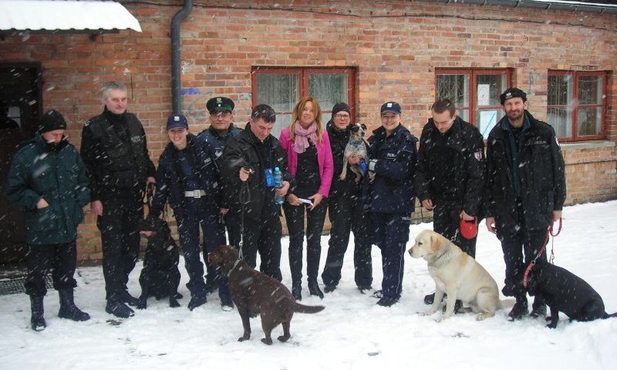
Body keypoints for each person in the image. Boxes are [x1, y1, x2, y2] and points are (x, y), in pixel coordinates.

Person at [485, 87, 566, 321]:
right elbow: (490, 175)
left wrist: (557, 205)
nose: (514, 108)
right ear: (504, 108)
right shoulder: (497, 135)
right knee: (511, 260)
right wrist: (490, 212)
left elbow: (557, 171)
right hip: (506, 209)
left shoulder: (544, 132)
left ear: (525, 104)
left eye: (517, 103)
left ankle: (540, 302)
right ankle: (520, 301)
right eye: (509, 105)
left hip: (537, 207)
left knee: (536, 260)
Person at [6, 110, 91, 331]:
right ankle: (37, 312)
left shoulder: (69, 153)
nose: (58, 138)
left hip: (66, 224)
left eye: (61, 134)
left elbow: (83, 181)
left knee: (66, 268)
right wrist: (35, 200)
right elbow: (14, 189)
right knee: (38, 273)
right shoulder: (26, 155)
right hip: (40, 226)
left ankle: (68, 306)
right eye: (53, 134)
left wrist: (77, 202)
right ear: (42, 133)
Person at [80, 81, 156, 319]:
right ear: (105, 101)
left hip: (133, 195)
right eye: (115, 99)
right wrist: (94, 197)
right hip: (109, 197)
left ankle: (121, 288)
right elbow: (88, 166)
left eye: (123, 99)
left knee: (132, 248)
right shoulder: (94, 127)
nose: (120, 103)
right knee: (113, 249)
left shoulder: (133, 122)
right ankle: (112, 298)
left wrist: (151, 172)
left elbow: (142, 153)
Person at [146, 114, 229, 310]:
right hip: (185, 207)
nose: (177, 135)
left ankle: (225, 291)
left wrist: (224, 202)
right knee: (190, 251)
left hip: (208, 203)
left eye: (180, 130)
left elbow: (220, 175)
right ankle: (198, 291)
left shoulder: (202, 147)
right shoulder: (167, 157)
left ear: (186, 130)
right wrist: (153, 214)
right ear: (168, 133)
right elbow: (163, 188)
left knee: (217, 248)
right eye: (173, 131)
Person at [414, 99, 485, 306]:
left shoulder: (470, 135)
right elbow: (421, 166)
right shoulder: (429, 132)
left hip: (463, 205)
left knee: (463, 253)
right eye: (436, 121)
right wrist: (424, 192)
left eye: (443, 122)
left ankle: (463, 295)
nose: (439, 126)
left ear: (454, 116)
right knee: (440, 251)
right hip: (441, 203)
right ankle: (443, 290)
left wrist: (470, 208)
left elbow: (477, 175)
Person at [219, 104, 292, 281]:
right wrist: (240, 173)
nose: (265, 132)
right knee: (245, 264)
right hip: (245, 214)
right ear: (251, 121)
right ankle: (246, 298)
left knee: (272, 261)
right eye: (261, 127)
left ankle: (271, 294)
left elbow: (286, 169)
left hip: (270, 213)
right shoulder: (237, 143)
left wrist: (287, 183)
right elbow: (228, 167)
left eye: (269, 128)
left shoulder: (274, 144)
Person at [279, 96, 334, 301]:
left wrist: (322, 193)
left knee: (314, 240)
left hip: (316, 195)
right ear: (298, 112)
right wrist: (290, 193)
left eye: (311, 110)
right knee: (296, 240)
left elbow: (328, 166)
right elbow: (282, 166)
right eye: (304, 109)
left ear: (316, 113)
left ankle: (312, 282)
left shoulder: (322, 135)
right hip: (294, 194)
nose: (308, 113)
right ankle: (296, 284)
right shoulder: (287, 135)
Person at [367, 101, 417, 307]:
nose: (389, 120)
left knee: (394, 249)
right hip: (378, 202)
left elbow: (402, 170)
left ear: (399, 116)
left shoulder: (406, 140)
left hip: (398, 203)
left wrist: (376, 165)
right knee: (382, 246)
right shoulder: (377, 137)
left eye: (392, 116)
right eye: (385, 116)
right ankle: (389, 285)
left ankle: (392, 292)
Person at [320, 102, 373, 294]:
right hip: (339, 194)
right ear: (333, 117)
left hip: (360, 194)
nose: (343, 118)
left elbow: (368, 157)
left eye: (346, 115)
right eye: (339, 115)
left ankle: (364, 280)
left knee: (363, 238)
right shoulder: (326, 137)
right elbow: (325, 164)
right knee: (338, 238)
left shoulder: (357, 136)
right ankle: (331, 279)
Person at [197, 96, 242, 293]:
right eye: (216, 114)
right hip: (211, 200)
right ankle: (213, 278)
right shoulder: (201, 140)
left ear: (231, 116)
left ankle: (236, 279)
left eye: (224, 114)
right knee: (211, 243)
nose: (220, 118)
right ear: (210, 117)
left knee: (236, 241)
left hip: (236, 199)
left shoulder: (241, 137)